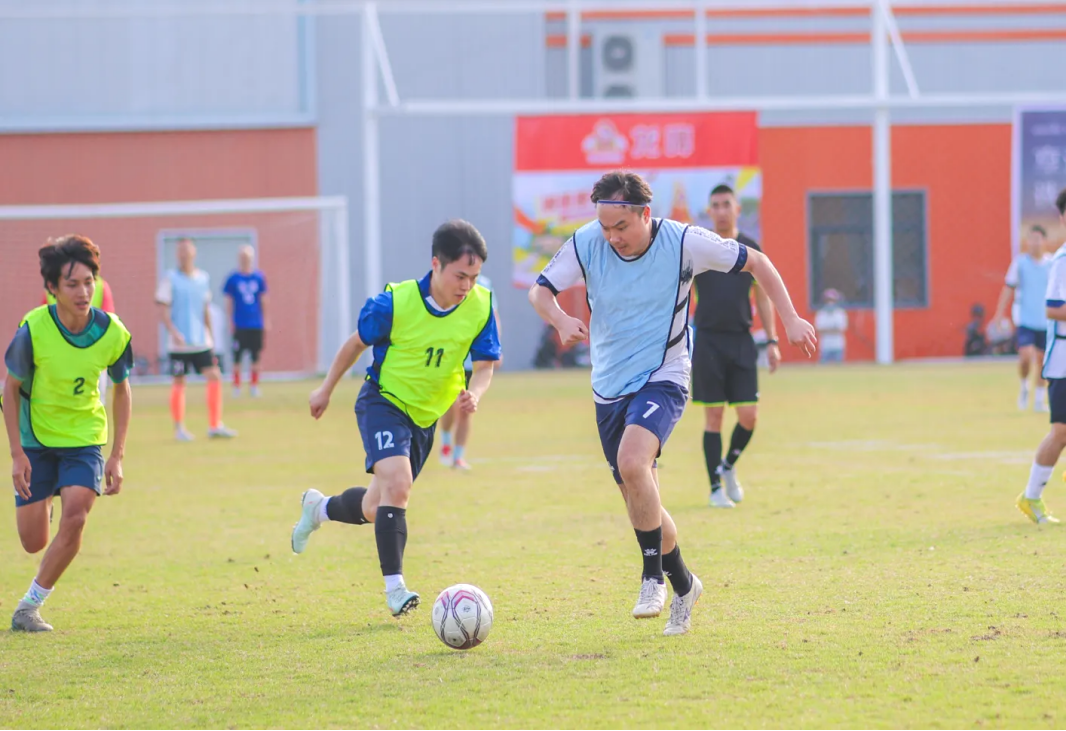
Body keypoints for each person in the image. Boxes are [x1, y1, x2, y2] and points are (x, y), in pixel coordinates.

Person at [528, 171, 816, 636]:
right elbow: (540, 291)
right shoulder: (587, 241)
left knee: (633, 463)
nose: (612, 237)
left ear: (645, 214)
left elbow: (758, 263)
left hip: (664, 375)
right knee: (641, 499)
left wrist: (790, 319)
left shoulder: (683, 242)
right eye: (605, 226)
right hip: (608, 386)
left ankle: (651, 579)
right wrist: (560, 319)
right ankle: (685, 585)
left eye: (621, 226)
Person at [290, 220, 501, 616]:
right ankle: (395, 589)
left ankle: (318, 509)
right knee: (399, 485)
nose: (467, 286)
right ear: (436, 264)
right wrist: (325, 389)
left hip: (425, 418)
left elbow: (486, 365)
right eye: (460, 276)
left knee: (377, 506)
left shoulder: (481, 304)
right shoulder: (394, 303)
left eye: (473, 277)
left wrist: (475, 392)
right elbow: (356, 344)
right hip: (384, 402)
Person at [3, 236, 133, 632]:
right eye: (72, 284)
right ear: (52, 288)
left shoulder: (112, 332)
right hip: (36, 440)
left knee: (76, 517)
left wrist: (117, 455)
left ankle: (29, 606)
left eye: (89, 282)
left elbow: (122, 389)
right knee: (33, 541)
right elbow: (10, 389)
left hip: (84, 438)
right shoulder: (33, 330)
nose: (83, 292)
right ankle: (47, 496)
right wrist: (17, 455)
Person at [691, 184, 780, 509]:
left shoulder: (750, 248)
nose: (721, 211)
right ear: (709, 211)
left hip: (742, 340)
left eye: (726, 204)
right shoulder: (699, 248)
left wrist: (772, 340)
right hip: (708, 341)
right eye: (715, 205)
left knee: (749, 417)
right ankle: (715, 488)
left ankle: (728, 466)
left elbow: (763, 297)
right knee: (713, 417)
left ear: (737, 209)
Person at [155, 238, 237, 441]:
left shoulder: (202, 278)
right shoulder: (170, 278)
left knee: (214, 376)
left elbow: (205, 309)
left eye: (187, 250)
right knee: (179, 382)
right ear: (177, 254)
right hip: (179, 345)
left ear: (193, 253)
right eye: (180, 251)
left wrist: (211, 336)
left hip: (201, 341)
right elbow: (163, 310)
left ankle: (215, 425)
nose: (184, 254)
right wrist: (173, 332)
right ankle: (179, 429)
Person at [1019, 189, 1066, 524]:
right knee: (1060, 432)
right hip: (1063, 359)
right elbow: (1053, 308)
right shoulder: (1062, 260)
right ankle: (1031, 497)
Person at [439, 274, 499, 470]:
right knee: (449, 404)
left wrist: (496, 349)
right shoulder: (447, 281)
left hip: (473, 361)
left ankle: (458, 457)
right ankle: (445, 441)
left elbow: (493, 316)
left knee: (466, 406)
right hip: (451, 358)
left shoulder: (484, 285)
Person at [994, 225, 1053, 411]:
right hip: (1025, 319)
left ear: (1044, 241)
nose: (1034, 243)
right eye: (1031, 239)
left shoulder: (1052, 264)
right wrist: (999, 315)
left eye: (1038, 239)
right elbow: (1008, 288)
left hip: (1046, 320)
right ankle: (1024, 386)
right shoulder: (1020, 264)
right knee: (1026, 356)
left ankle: (1039, 401)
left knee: (1043, 361)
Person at [43, 271, 116, 404]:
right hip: (74, 358)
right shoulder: (101, 286)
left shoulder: (100, 287)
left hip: (86, 358)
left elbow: (108, 326)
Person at [223, 246, 269, 398]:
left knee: (256, 357)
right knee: (237, 357)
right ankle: (237, 386)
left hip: (255, 324)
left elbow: (263, 300)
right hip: (239, 324)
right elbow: (229, 301)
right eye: (243, 257)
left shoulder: (259, 278)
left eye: (248, 257)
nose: (245, 260)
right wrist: (230, 320)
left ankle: (254, 386)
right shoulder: (233, 279)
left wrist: (265, 320)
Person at [815, 289, 848, 364]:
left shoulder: (840, 313)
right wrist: (833, 330)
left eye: (832, 300)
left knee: (839, 368)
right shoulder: (821, 314)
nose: (830, 302)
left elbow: (841, 329)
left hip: (838, 345)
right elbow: (819, 329)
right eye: (828, 300)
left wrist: (827, 330)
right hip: (825, 346)